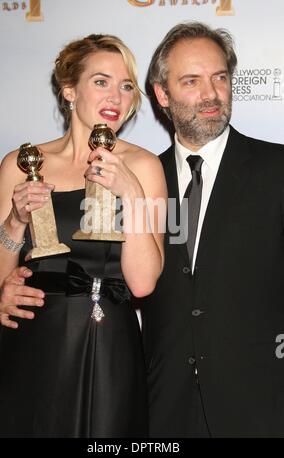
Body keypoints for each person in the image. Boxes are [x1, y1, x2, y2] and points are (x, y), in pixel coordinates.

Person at [0, 34, 167, 438]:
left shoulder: (144, 165)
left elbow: (142, 281)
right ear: (69, 90)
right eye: (101, 81)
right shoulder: (21, 163)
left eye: (125, 86)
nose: (116, 97)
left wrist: (132, 192)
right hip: (33, 341)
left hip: (109, 344)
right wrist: (15, 221)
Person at [140, 22, 284, 437]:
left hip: (261, 408)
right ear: (162, 95)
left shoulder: (276, 170)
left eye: (220, 78)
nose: (211, 94)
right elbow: (112, 282)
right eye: (192, 81)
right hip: (164, 408)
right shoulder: (141, 180)